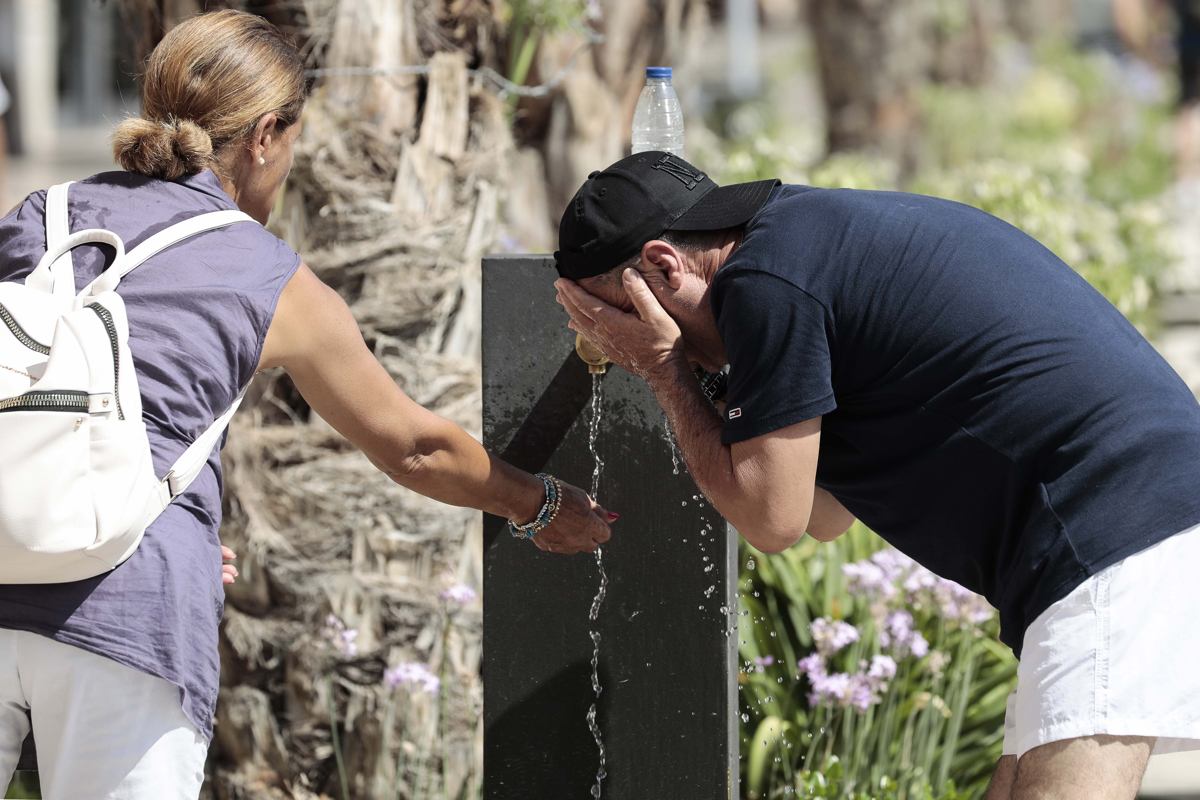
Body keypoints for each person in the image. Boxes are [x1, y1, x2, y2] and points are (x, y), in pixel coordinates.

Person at [0, 11, 612, 798]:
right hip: (129, 616)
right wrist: (538, 502)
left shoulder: (36, 217)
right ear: (264, 134)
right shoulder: (263, 271)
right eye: (292, 141)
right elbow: (413, 447)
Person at [553, 152, 1200, 800]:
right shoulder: (801, 242)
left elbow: (771, 522)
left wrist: (665, 367)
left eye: (620, 321)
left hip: (1116, 516)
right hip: (1119, 514)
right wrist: (714, 383)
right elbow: (821, 515)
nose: (620, 347)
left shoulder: (765, 285)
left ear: (664, 268)